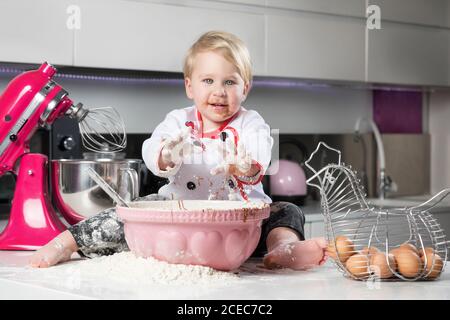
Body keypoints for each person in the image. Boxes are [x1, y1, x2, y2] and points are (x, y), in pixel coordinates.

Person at [29, 31, 327, 270]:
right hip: (179, 215)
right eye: (208, 80)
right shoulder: (178, 120)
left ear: (245, 88)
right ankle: (66, 243)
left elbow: (261, 153)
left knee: (287, 212)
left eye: (230, 82)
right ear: (190, 86)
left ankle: (282, 249)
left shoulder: (251, 123)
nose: (219, 91)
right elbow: (152, 151)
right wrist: (167, 154)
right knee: (129, 213)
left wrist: (244, 165)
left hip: (242, 221)